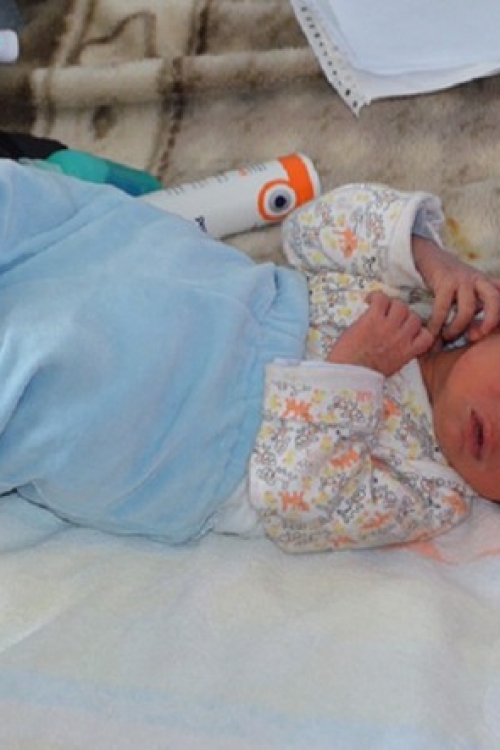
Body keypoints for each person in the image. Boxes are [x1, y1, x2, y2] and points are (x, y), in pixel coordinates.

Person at [0, 160, 498, 553]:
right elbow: (307, 230)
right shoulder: (408, 296)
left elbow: (302, 505)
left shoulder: (430, 490)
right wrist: (428, 259)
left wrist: (354, 370)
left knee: (53, 368)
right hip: (201, 287)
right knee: (67, 218)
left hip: (192, 435)